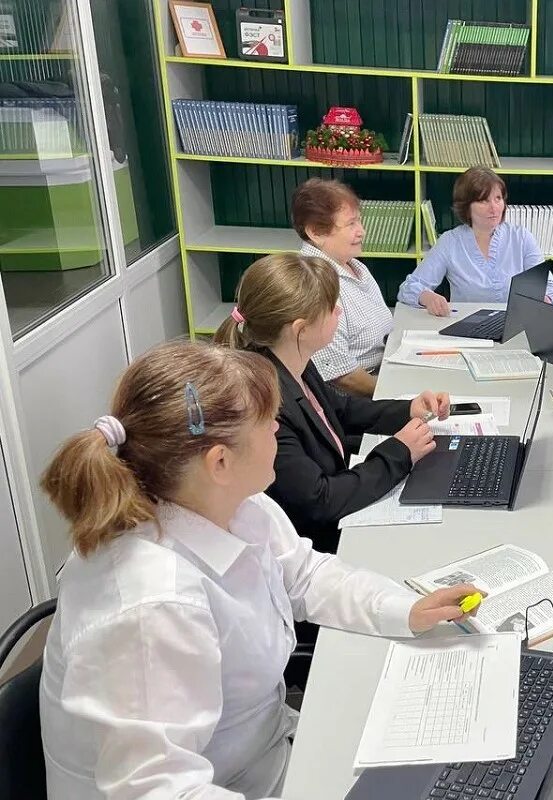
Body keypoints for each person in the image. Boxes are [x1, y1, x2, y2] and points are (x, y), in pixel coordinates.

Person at [38, 340, 479, 799]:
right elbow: (157, 791)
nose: (278, 429)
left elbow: (306, 576)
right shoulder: (153, 604)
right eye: (269, 421)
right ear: (220, 462)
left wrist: (405, 609)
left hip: (264, 753)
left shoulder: (235, 504)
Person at [213, 252, 449, 555]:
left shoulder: (292, 361)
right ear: (301, 329)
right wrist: (400, 451)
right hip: (318, 543)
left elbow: (341, 409)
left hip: (337, 509)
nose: (338, 311)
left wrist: (408, 409)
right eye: (330, 307)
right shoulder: (266, 409)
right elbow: (320, 500)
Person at [397, 166, 553, 315]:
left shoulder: (522, 237)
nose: (494, 207)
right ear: (466, 206)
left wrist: (545, 299)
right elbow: (408, 288)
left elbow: (550, 287)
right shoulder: (450, 242)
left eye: (498, 198)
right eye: (484, 201)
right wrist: (427, 297)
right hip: (466, 328)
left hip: (517, 324)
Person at [292, 177, 394, 397]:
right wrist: (397, 393)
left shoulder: (354, 266)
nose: (362, 231)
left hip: (384, 372)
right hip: (357, 398)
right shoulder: (314, 284)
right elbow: (341, 375)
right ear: (315, 232)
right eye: (351, 224)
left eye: (360, 221)